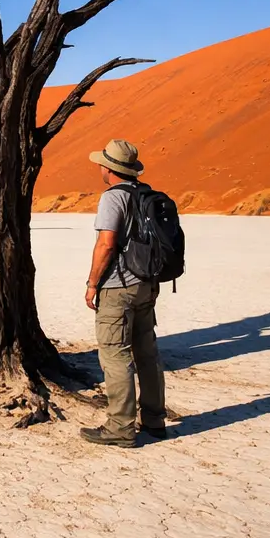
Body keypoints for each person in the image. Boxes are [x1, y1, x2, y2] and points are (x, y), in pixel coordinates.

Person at [80, 139, 166, 447]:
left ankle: (120, 427)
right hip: (147, 284)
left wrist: (92, 283)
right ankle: (154, 420)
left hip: (118, 287)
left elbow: (106, 244)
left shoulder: (113, 197)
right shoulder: (145, 193)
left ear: (108, 168)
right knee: (147, 354)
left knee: (115, 356)